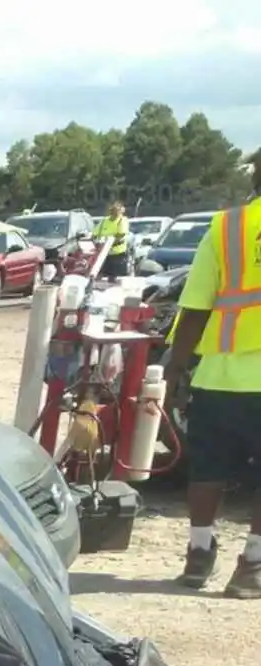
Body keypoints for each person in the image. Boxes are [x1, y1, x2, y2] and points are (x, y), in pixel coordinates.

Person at [167, 148, 261, 598]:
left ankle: (198, 554)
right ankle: (253, 566)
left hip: (218, 378)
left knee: (206, 470)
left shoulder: (229, 228)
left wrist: (174, 371)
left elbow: (195, 307)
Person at [94, 201, 131, 281]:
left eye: (118, 212)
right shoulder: (104, 221)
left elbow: (121, 234)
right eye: (113, 211)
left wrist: (110, 241)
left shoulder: (122, 220)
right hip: (104, 253)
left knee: (114, 278)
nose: (116, 214)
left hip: (117, 254)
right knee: (98, 275)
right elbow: (95, 233)